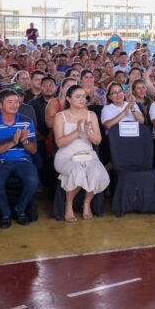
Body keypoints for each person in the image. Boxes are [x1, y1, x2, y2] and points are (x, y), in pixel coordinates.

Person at [0, 89, 39, 228]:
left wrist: (24, 141)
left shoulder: (26, 121)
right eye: (10, 102)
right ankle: (5, 213)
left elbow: (33, 150)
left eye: (17, 102)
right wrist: (12, 142)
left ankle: (20, 209)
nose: (15, 105)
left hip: (22, 160)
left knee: (33, 180)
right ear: (0, 105)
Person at [54, 85, 109, 221]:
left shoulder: (91, 115)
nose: (82, 99)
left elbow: (97, 141)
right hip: (66, 156)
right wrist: (77, 131)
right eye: (77, 96)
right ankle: (69, 205)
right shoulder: (60, 116)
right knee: (78, 171)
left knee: (96, 172)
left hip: (88, 154)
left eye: (84, 96)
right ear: (68, 98)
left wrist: (88, 131)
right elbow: (60, 143)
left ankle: (87, 203)